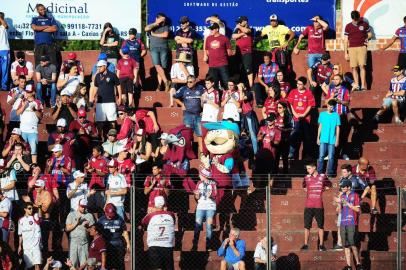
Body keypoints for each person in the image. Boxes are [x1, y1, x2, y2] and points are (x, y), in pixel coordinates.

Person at [301, 162, 331, 251]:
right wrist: (310, 191)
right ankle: (306, 244)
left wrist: (322, 190)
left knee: (320, 226)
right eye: (307, 169)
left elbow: (329, 185)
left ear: (314, 168)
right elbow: (303, 187)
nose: (307, 170)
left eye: (309, 168)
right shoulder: (306, 177)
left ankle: (321, 245)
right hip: (308, 205)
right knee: (307, 226)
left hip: (319, 205)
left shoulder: (322, 176)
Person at [141, 196, 176, 270]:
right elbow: (174, 221)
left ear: (154, 205)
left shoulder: (150, 216)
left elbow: (143, 222)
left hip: (155, 246)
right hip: (167, 245)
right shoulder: (171, 215)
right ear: (164, 205)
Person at [335, 180, 363, 270]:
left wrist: (347, 203)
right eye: (342, 187)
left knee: (352, 243)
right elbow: (338, 211)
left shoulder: (355, 195)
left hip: (352, 222)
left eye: (344, 187)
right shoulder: (342, 196)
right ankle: (349, 266)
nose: (342, 188)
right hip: (343, 222)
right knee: (346, 245)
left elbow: (358, 210)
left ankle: (358, 264)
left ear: (349, 187)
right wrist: (338, 203)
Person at [173, 75, 204, 152]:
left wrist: (204, 108)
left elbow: (207, 97)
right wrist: (182, 104)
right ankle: (188, 152)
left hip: (198, 115)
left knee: (200, 134)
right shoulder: (183, 89)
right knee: (187, 135)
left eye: (190, 82)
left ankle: (202, 152)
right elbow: (174, 97)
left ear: (195, 81)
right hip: (188, 115)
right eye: (187, 82)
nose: (188, 83)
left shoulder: (201, 88)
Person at [287, 77, 316, 160]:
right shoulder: (293, 92)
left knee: (306, 137)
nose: (298, 85)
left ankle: (306, 155)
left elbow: (310, 105)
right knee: (294, 136)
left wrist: (303, 114)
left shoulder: (309, 93)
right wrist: (295, 114)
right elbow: (290, 104)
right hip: (296, 119)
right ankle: (291, 154)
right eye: (297, 84)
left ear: (304, 85)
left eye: (300, 84)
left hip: (306, 119)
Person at [344, 10, 372, 91]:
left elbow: (370, 34)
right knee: (354, 67)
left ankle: (363, 85)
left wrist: (367, 38)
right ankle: (356, 85)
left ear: (359, 17)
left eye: (357, 19)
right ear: (351, 18)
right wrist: (346, 53)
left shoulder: (364, 24)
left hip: (362, 47)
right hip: (351, 48)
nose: (355, 21)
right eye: (354, 20)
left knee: (362, 66)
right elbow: (345, 40)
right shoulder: (348, 26)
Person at [91, 60, 121, 135]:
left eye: (100, 67)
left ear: (105, 66)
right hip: (100, 102)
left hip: (111, 101)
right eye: (98, 67)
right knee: (99, 122)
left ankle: (113, 135)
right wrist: (92, 97)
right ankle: (100, 137)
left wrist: (119, 97)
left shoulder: (112, 75)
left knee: (112, 120)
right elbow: (95, 87)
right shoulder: (97, 76)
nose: (98, 68)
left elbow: (118, 86)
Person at [97, 203, 130, 270]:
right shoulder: (101, 220)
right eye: (109, 215)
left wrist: (128, 243)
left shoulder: (119, 218)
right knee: (108, 264)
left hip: (118, 244)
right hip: (106, 244)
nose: (110, 217)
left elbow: (124, 231)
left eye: (112, 215)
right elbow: (97, 233)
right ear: (105, 212)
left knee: (120, 263)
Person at [15, 85, 43, 164]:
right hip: (22, 130)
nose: (27, 93)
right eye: (26, 91)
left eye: (29, 92)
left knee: (33, 150)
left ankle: (34, 166)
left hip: (33, 131)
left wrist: (34, 110)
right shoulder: (22, 101)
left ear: (33, 92)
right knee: (22, 149)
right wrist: (24, 105)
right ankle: (21, 166)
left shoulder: (38, 102)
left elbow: (41, 116)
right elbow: (17, 113)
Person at [325, 74, 351, 159]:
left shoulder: (345, 90)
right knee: (332, 135)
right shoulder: (330, 90)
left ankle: (344, 153)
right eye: (334, 79)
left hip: (342, 116)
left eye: (337, 79)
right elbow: (326, 103)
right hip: (332, 116)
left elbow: (347, 103)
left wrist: (340, 101)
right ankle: (331, 154)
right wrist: (331, 98)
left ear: (341, 81)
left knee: (343, 135)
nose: (335, 81)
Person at [192, 168, 217, 251]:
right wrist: (196, 195)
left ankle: (208, 245)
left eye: (200, 174)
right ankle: (195, 245)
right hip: (201, 206)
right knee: (197, 226)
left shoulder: (213, 183)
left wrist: (211, 196)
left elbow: (215, 195)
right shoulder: (199, 183)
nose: (199, 176)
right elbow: (197, 197)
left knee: (209, 226)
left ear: (204, 176)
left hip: (210, 206)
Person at [145, 13, 171, 92]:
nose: (163, 21)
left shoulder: (165, 26)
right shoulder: (152, 26)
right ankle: (166, 81)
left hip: (163, 48)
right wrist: (156, 23)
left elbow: (165, 35)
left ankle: (159, 86)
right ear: (157, 18)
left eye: (164, 20)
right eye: (162, 19)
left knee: (161, 68)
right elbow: (146, 29)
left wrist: (154, 34)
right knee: (157, 66)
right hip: (154, 49)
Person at [65, 198, 95, 268]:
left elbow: (93, 231)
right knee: (72, 263)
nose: (83, 209)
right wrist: (76, 223)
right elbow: (67, 228)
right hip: (73, 243)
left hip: (84, 243)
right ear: (78, 205)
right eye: (82, 207)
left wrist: (88, 227)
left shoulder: (89, 215)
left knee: (84, 265)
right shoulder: (71, 214)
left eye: (85, 207)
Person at [205, 22, 232, 90]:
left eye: (212, 29)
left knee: (226, 82)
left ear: (217, 29)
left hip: (223, 64)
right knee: (213, 84)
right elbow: (207, 50)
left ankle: (229, 98)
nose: (211, 31)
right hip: (212, 65)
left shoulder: (224, 38)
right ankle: (216, 99)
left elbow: (229, 52)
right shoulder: (208, 38)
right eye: (210, 29)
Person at [317, 99, 340, 176]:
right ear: (327, 106)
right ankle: (319, 173)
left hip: (332, 139)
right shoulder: (322, 114)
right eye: (330, 107)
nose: (331, 108)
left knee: (331, 157)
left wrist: (337, 139)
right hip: (323, 138)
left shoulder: (336, 115)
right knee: (321, 156)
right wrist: (318, 137)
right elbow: (320, 126)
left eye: (332, 107)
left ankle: (330, 173)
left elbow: (337, 128)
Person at [18, 202, 42, 270]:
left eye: (32, 208)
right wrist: (20, 246)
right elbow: (20, 234)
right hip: (26, 246)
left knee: (37, 264)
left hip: (35, 245)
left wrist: (39, 207)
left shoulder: (35, 216)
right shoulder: (21, 220)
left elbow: (39, 219)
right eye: (29, 208)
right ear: (25, 209)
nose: (31, 210)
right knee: (28, 266)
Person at [33, 178, 53, 254]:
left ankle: (45, 259)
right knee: (37, 241)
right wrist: (38, 205)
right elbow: (38, 207)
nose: (36, 188)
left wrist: (34, 204)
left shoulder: (47, 194)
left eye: (37, 186)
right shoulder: (38, 194)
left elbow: (44, 209)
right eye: (35, 186)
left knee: (44, 242)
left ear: (42, 187)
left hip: (45, 220)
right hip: (38, 220)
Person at [232, 16, 253, 87]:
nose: (239, 23)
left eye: (240, 22)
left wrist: (239, 27)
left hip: (247, 52)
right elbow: (233, 36)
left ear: (245, 21)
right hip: (238, 53)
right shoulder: (237, 29)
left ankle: (251, 86)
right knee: (238, 69)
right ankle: (239, 86)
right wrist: (242, 33)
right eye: (238, 22)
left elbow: (247, 31)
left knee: (248, 70)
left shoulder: (249, 28)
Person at [274, 102, 292, 174]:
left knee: (285, 158)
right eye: (277, 107)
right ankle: (275, 173)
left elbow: (292, 128)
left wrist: (283, 129)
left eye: (280, 107)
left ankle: (285, 173)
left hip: (285, 140)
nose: (278, 109)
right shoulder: (276, 116)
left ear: (284, 108)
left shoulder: (289, 117)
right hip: (277, 141)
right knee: (276, 157)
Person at [0, 12, 9, 91]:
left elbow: (6, 26)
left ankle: (4, 86)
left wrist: (1, 18)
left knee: (4, 69)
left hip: (4, 49)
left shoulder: (3, 26)